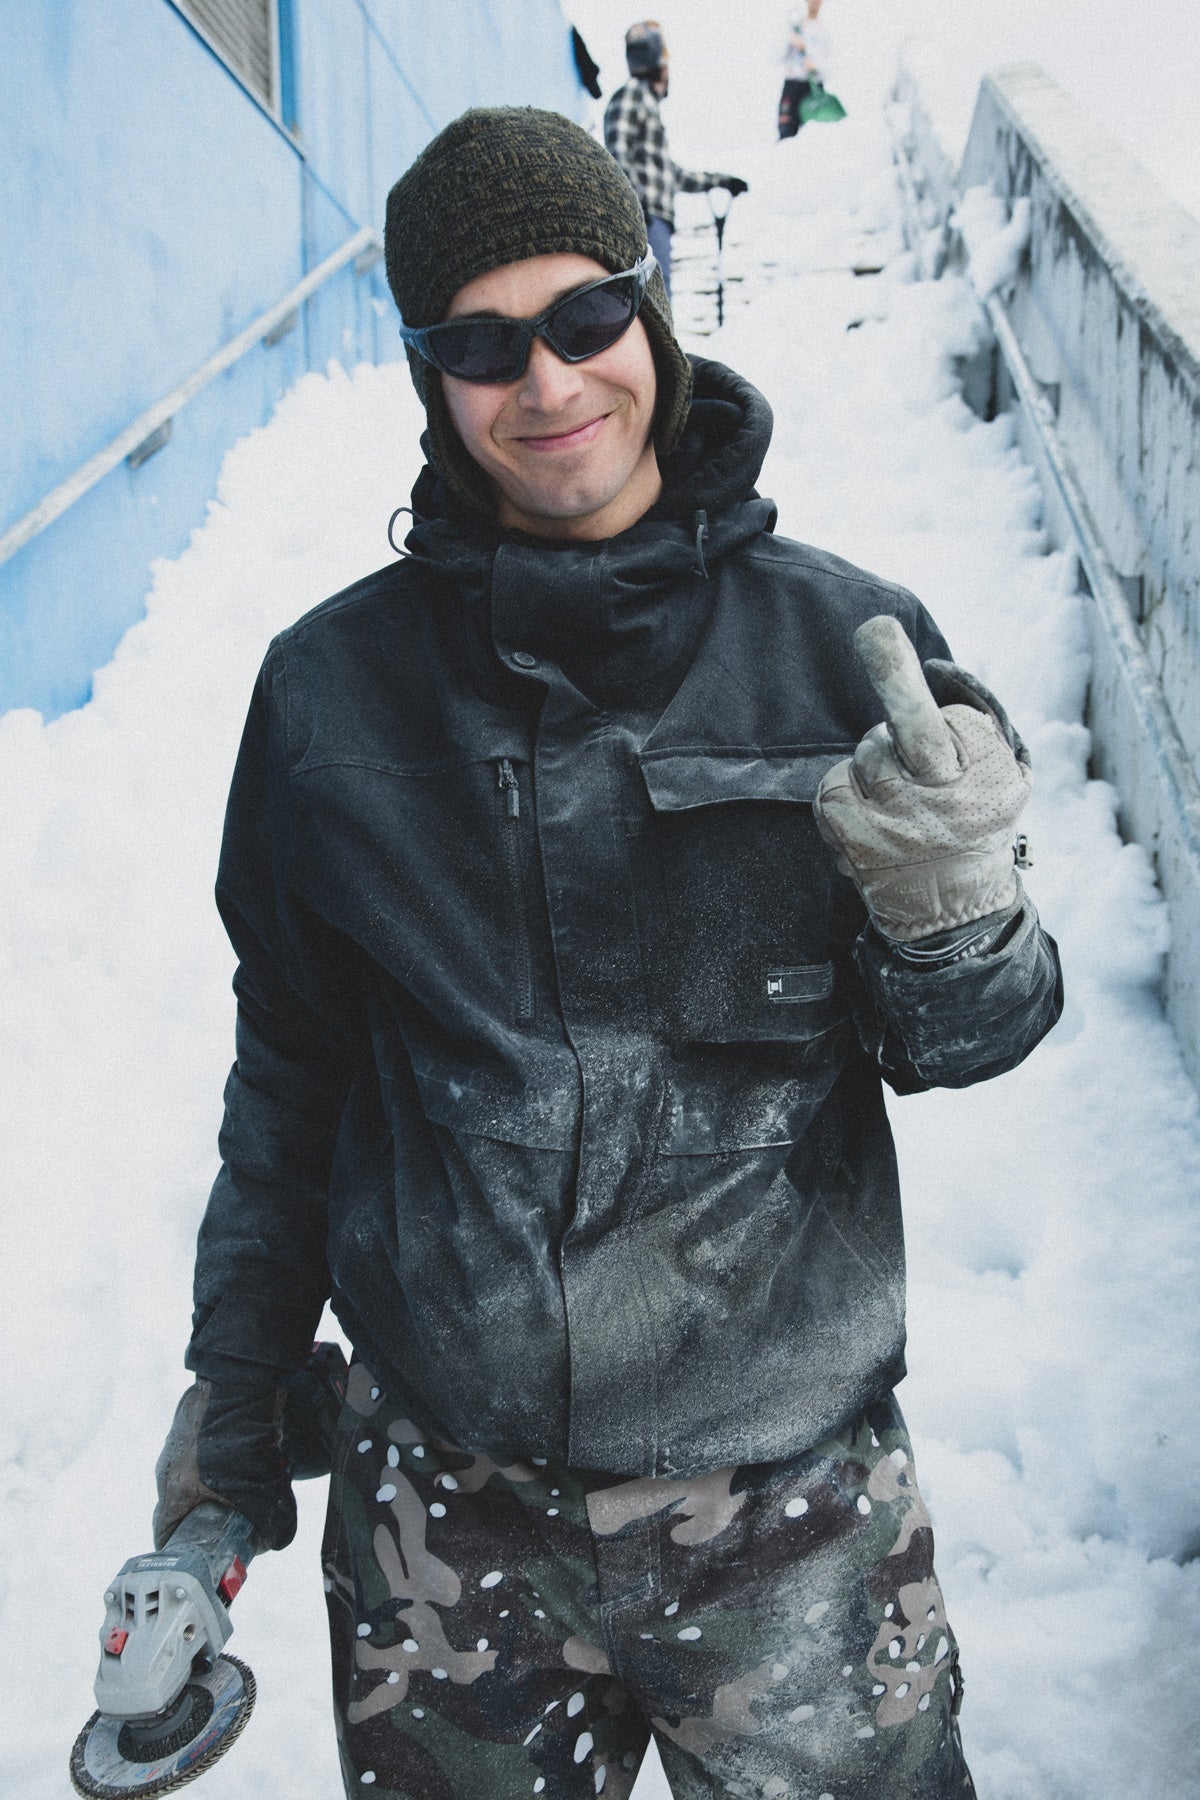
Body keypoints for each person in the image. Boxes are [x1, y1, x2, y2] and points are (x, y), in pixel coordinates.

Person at [152, 105, 1062, 1799]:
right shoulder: (328, 701)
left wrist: (959, 917)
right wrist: (231, 1414)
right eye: (484, 346)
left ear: (650, 313)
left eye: (585, 318)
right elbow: (289, 1080)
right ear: (430, 374)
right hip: (449, 1533)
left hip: (792, 1519)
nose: (552, 383)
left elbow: (975, 1035)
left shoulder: (835, 647)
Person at [604, 21, 747, 297]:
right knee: (651, 300)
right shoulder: (632, 94)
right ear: (658, 64)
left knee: (659, 298)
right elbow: (617, 154)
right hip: (645, 218)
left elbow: (672, 175)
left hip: (656, 218)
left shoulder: (647, 106)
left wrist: (721, 181)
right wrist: (635, 203)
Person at [779, 0, 828, 140]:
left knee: (814, 136)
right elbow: (774, 56)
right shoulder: (793, 25)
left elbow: (833, 66)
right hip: (792, 85)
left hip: (814, 88)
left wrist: (815, 63)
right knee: (787, 133)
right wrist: (788, 40)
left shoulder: (825, 30)